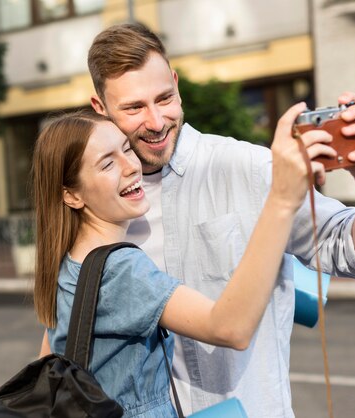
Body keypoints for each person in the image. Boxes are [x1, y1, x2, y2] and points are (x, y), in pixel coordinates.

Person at [40, 23, 355, 417]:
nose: (155, 122)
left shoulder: (250, 167)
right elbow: (60, 344)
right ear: (100, 108)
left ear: (176, 82)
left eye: (165, 98)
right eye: (134, 108)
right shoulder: (98, 216)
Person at [33, 107, 333, 417]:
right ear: (72, 196)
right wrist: (281, 201)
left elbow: (48, 364)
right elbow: (231, 328)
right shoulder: (121, 270)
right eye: (107, 163)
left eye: (126, 149)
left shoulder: (69, 263)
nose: (130, 166)